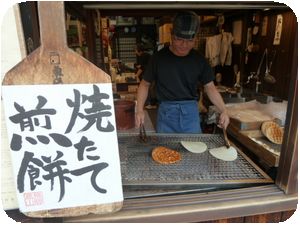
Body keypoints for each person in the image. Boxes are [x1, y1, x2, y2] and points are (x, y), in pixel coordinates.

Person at [135, 11, 230, 133]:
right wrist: (139, 110)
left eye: (190, 41)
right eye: (179, 39)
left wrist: (224, 110)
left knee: (194, 150)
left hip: (190, 115)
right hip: (166, 114)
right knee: (165, 151)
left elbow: (210, 87)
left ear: (195, 37)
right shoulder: (158, 58)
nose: (184, 45)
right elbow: (144, 84)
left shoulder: (199, 60)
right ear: (171, 34)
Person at [135, 43, 157, 109]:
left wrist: (136, 75)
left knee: (149, 89)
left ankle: (151, 104)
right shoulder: (145, 55)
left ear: (139, 50)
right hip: (153, 73)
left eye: (135, 50)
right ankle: (151, 103)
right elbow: (143, 65)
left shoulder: (144, 55)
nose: (135, 52)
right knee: (150, 89)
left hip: (152, 74)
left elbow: (142, 67)